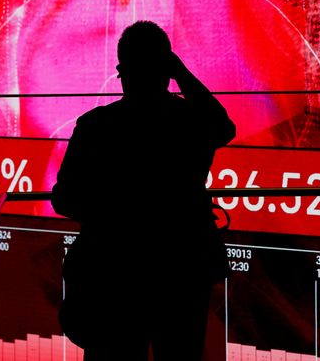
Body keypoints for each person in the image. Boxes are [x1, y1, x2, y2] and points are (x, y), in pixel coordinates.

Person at [52, 20, 236, 361]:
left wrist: (109, 213)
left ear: (123, 72)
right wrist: (180, 71)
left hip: (112, 276)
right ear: (166, 70)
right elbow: (224, 127)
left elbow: (63, 198)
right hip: (182, 270)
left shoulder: (96, 127)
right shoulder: (188, 123)